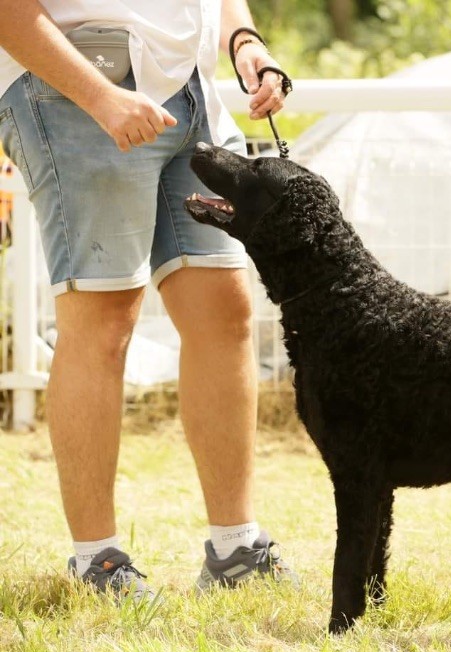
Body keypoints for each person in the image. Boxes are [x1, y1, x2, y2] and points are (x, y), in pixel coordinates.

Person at [0, 1, 297, 599]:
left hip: (191, 93)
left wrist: (244, 43)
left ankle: (236, 548)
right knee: (104, 319)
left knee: (226, 310)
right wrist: (100, 98)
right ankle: (97, 562)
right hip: (77, 87)